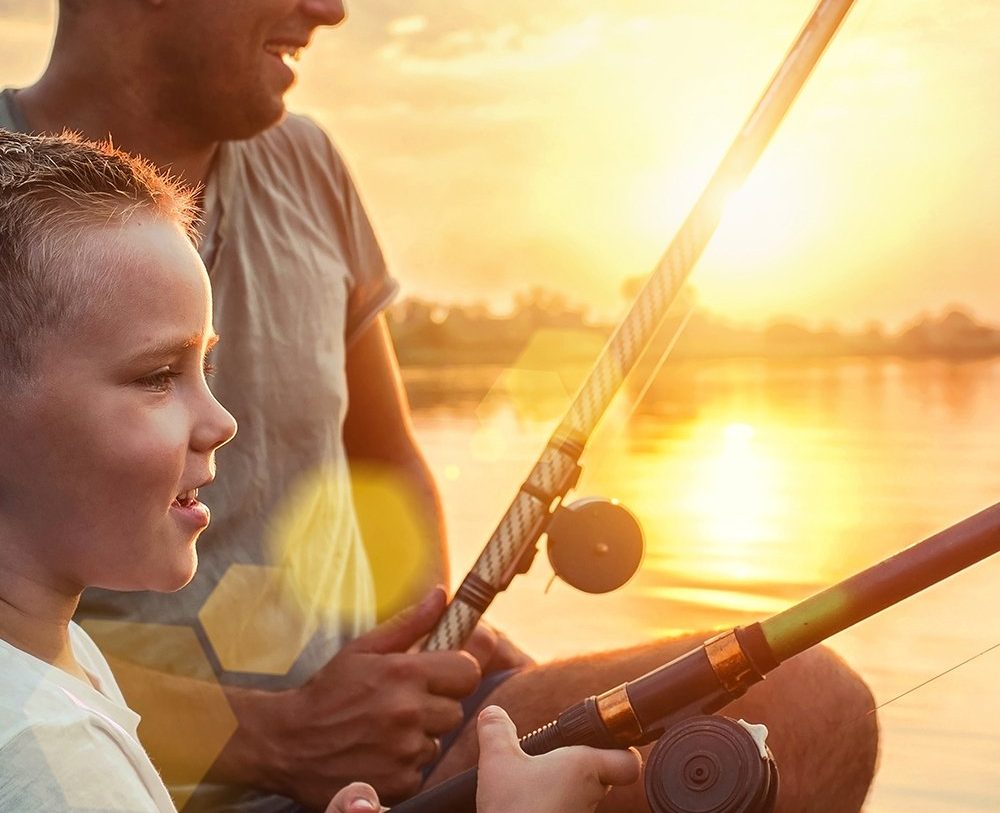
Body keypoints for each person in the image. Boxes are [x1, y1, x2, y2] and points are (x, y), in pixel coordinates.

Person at [0, 2, 879, 812]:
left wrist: (437, 646)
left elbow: (387, 456)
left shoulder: (306, 161)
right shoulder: (16, 206)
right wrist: (276, 737)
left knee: (805, 705)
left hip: (386, 734)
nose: (330, 9)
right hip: (187, 773)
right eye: (158, 376)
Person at [0, 128, 642, 813]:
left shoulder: (62, 656)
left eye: (204, 369)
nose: (222, 421)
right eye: (159, 376)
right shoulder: (46, 747)